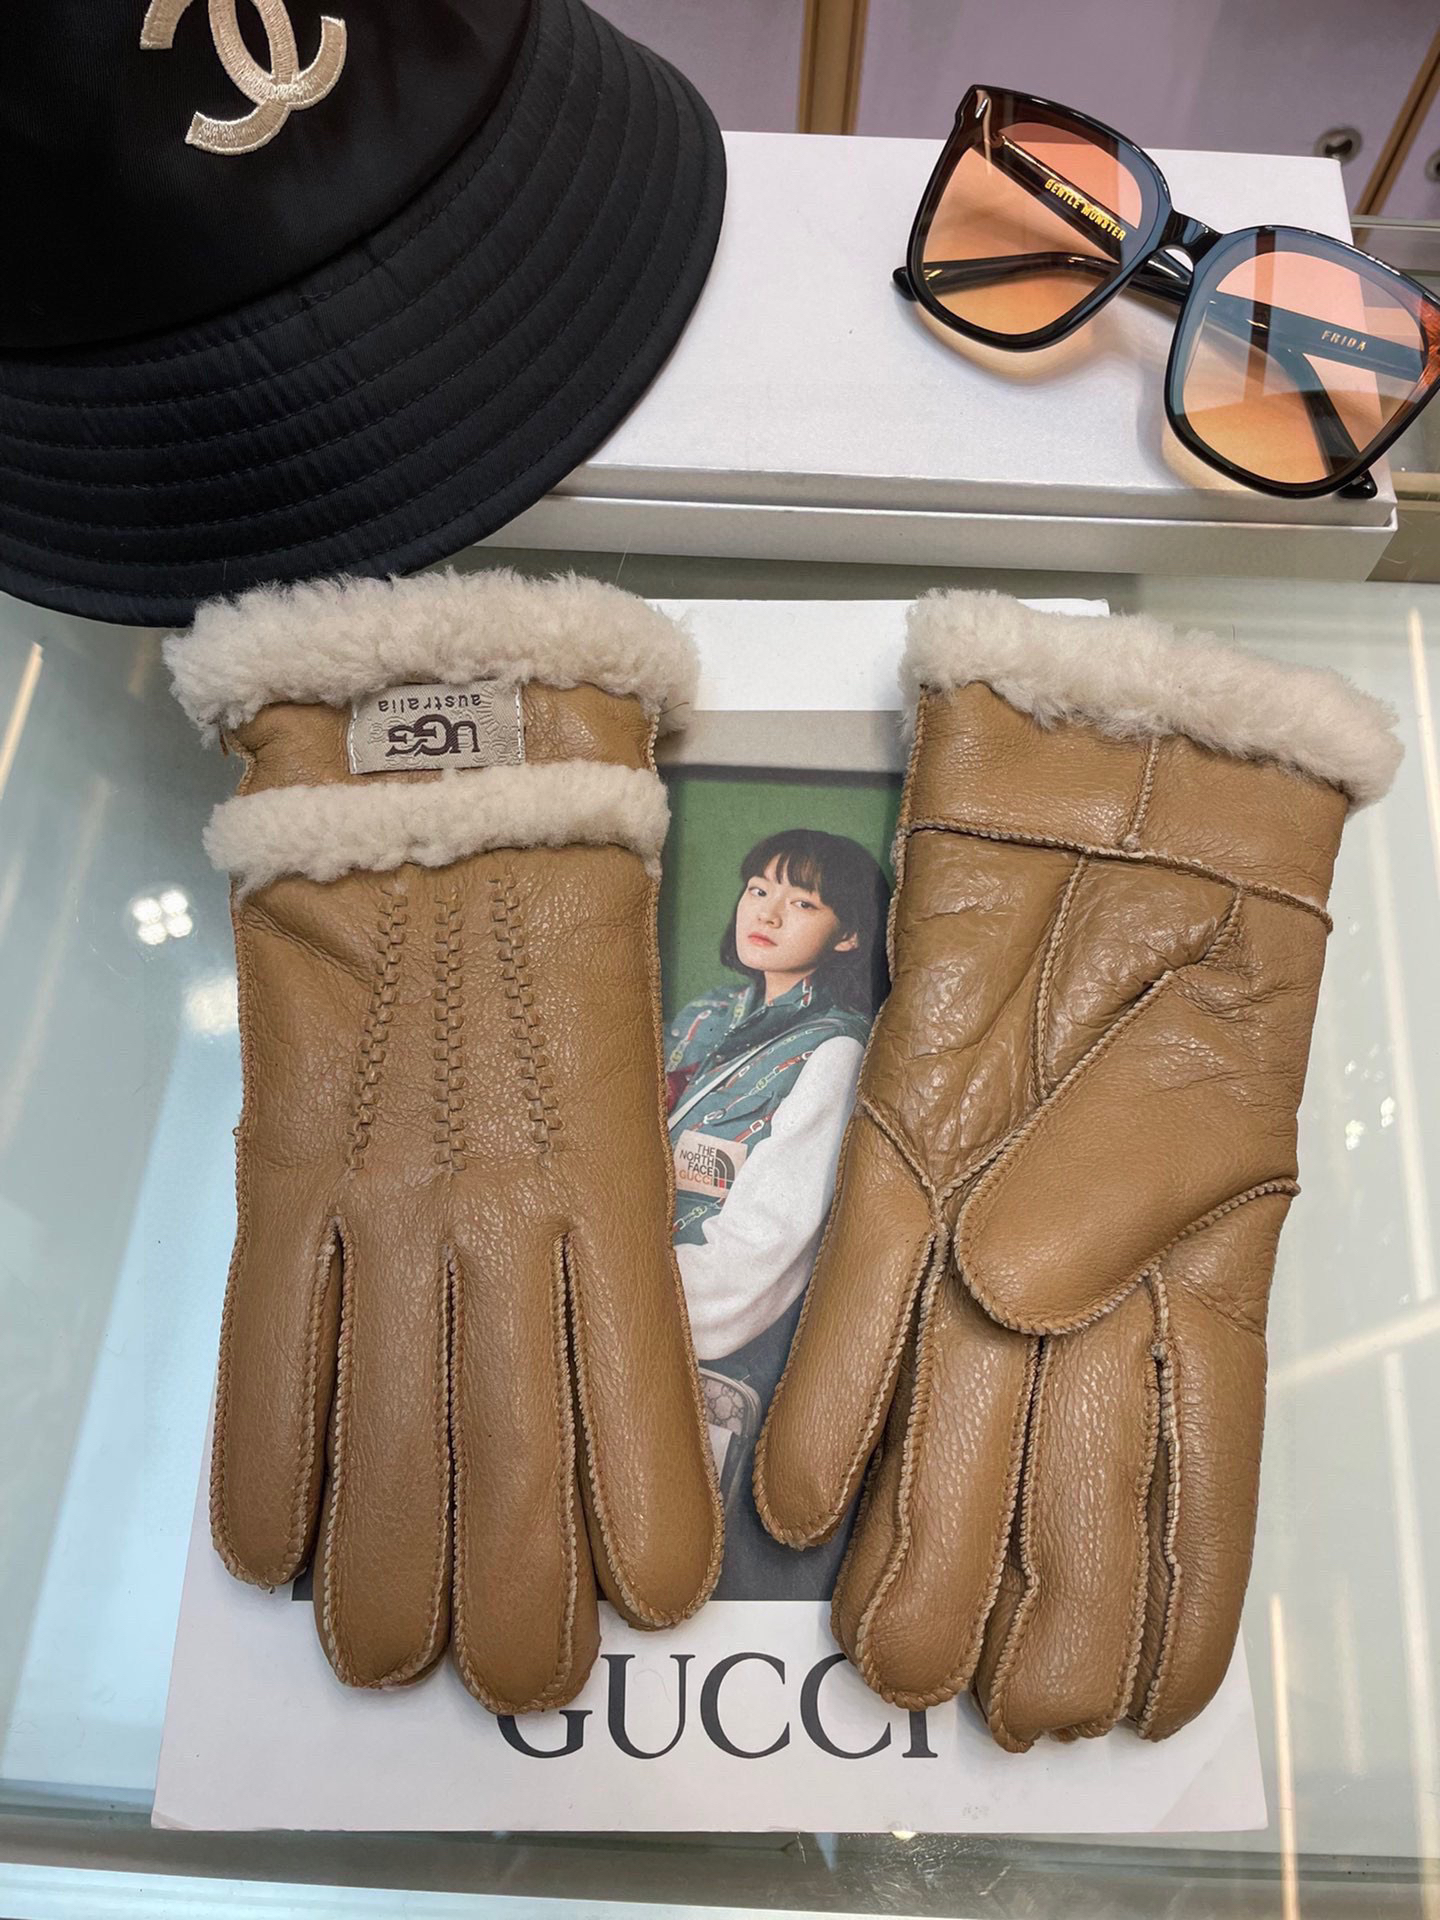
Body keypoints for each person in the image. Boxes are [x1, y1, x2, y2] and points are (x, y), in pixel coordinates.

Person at [665, 827, 891, 1598]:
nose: (766, 911)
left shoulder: (834, 1054)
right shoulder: (701, 1019)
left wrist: (607, 1302)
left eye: (802, 902)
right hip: (618, 1330)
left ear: (848, 934)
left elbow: (753, 1264)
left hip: (700, 1365)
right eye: (759, 889)